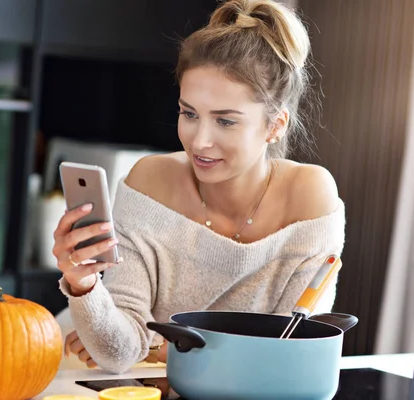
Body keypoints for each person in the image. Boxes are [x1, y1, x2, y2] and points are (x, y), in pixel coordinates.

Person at [52, 0, 345, 374]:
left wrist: (156, 349)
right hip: (83, 355)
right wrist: (83, 284)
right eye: (189, 113)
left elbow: (294, 353)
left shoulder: (309, 196)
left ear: (275, 125)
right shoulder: (149, 184)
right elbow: (117, 352)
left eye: (225, 122)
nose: (199, 141)